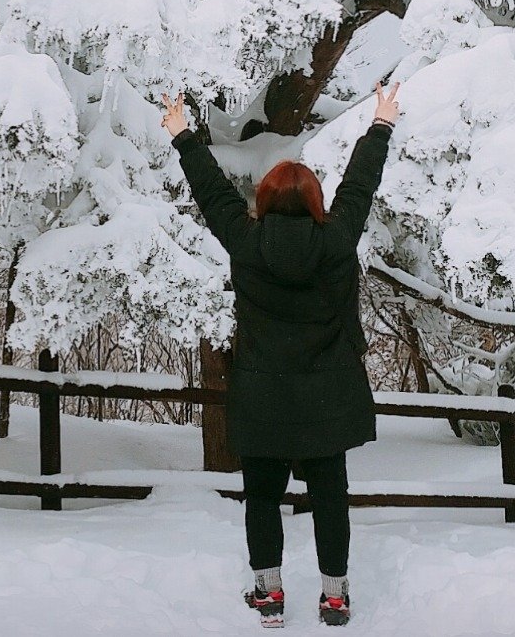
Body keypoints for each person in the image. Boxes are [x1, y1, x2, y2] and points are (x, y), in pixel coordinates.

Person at [160, 83, 400, 629]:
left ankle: (268, 595)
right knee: (330, 497)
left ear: (265, 202)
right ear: (316, 204)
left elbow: (212, 193)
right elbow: (360, 185)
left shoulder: (247, 244)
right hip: (326, 395)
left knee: (262, 497)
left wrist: (183, 136)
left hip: (264, 395)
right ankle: (334, 598)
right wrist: (380, 124)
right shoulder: (337, 240)